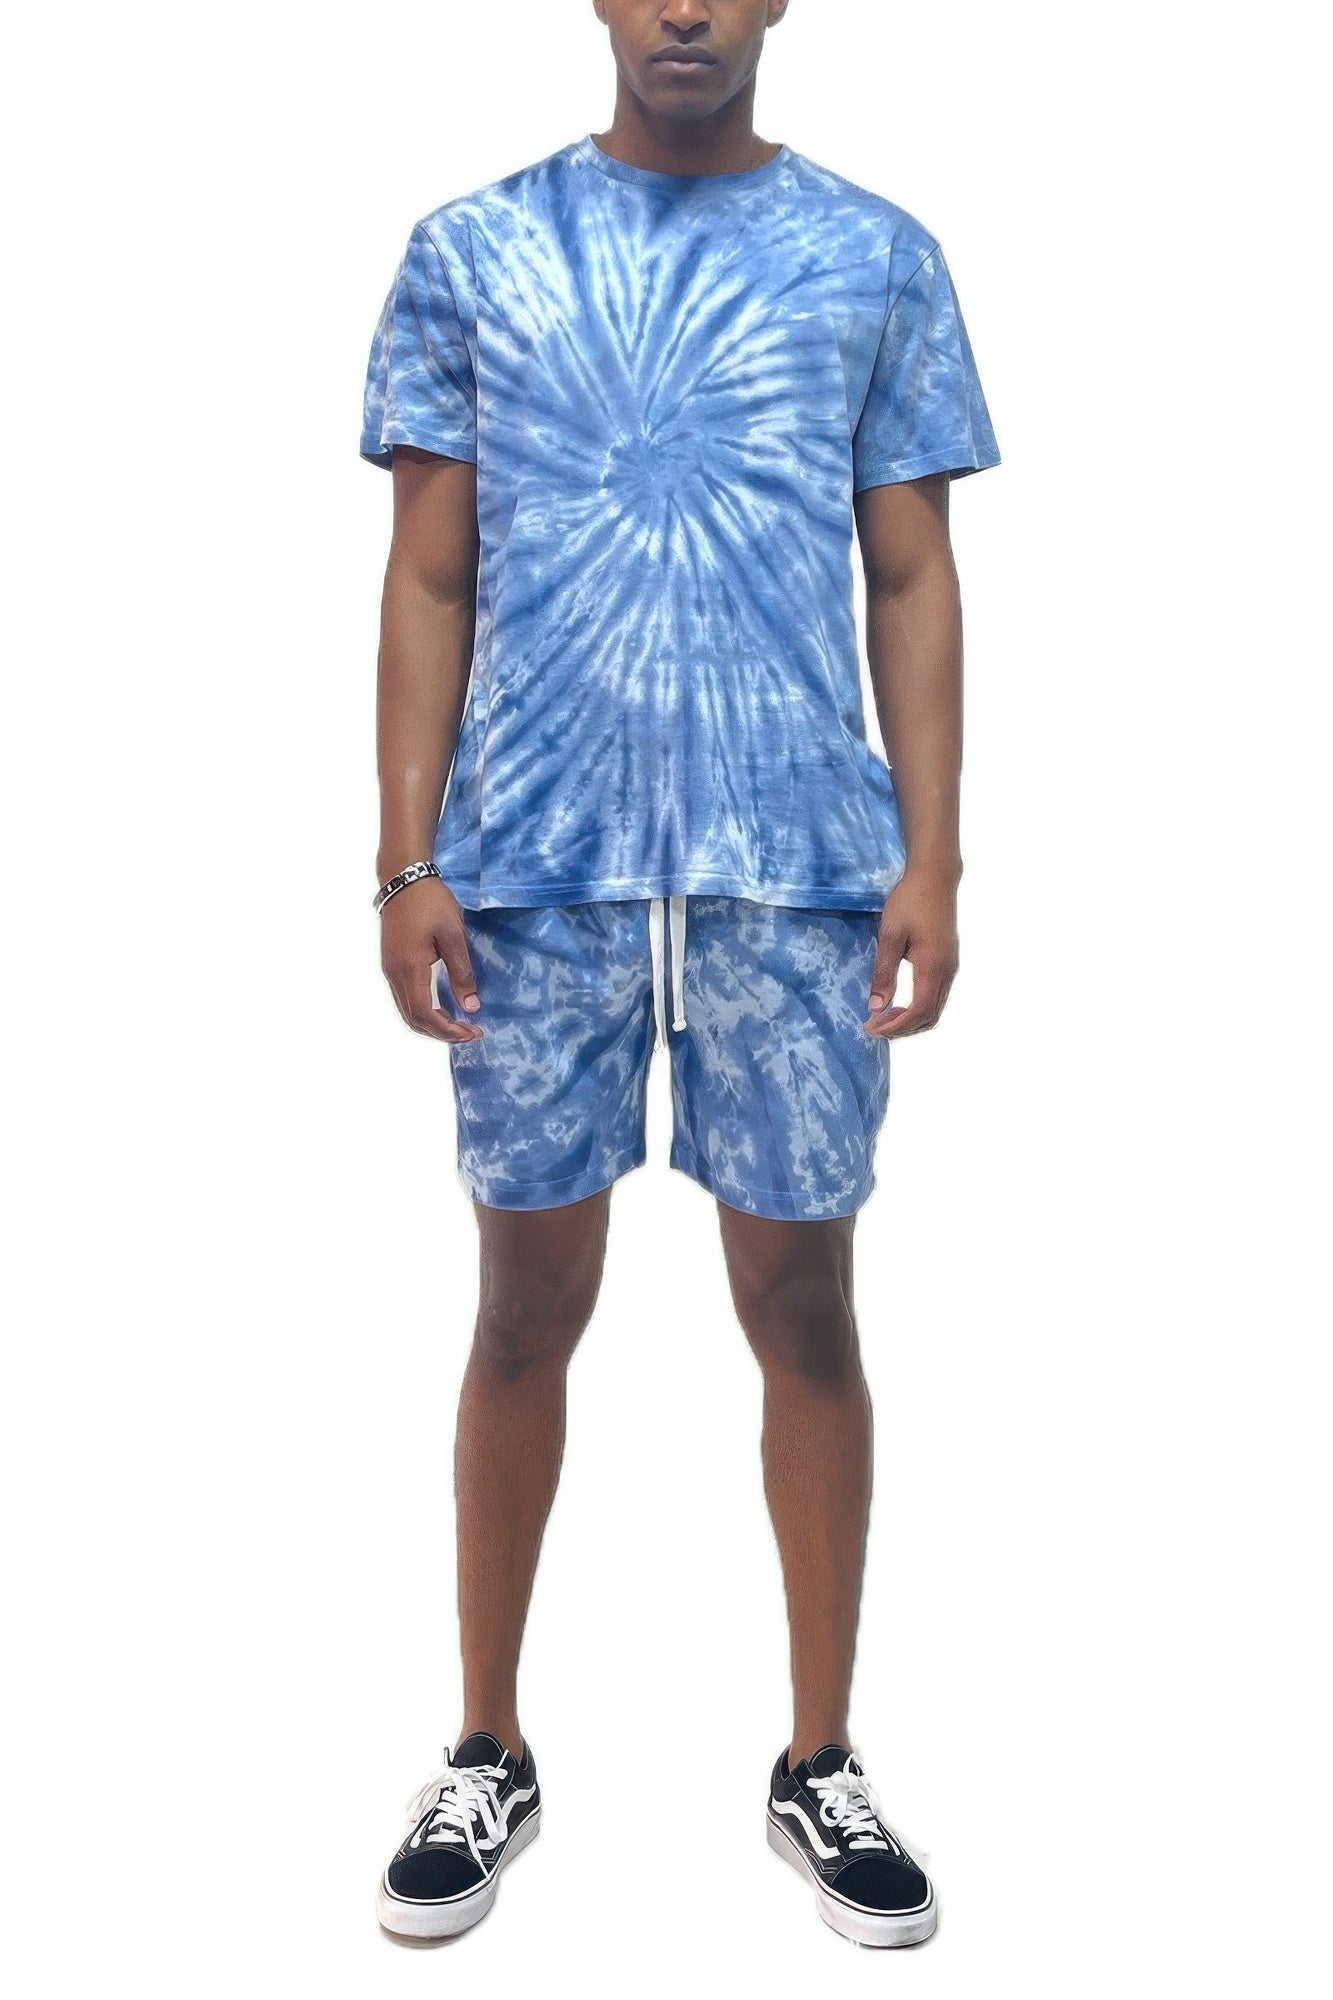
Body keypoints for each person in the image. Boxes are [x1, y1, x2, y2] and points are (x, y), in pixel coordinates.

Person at [359, 0, 999, 1951]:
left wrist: (928, 856)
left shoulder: (874, 257)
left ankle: (819, 1758)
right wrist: (405, 857)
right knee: (520, 1305)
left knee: (804, 1301)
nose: (686, 8)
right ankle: (486, 1745)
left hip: (791, 868)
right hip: (532, 868)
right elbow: (430, 570)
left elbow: (909, 573)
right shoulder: (474, 250)